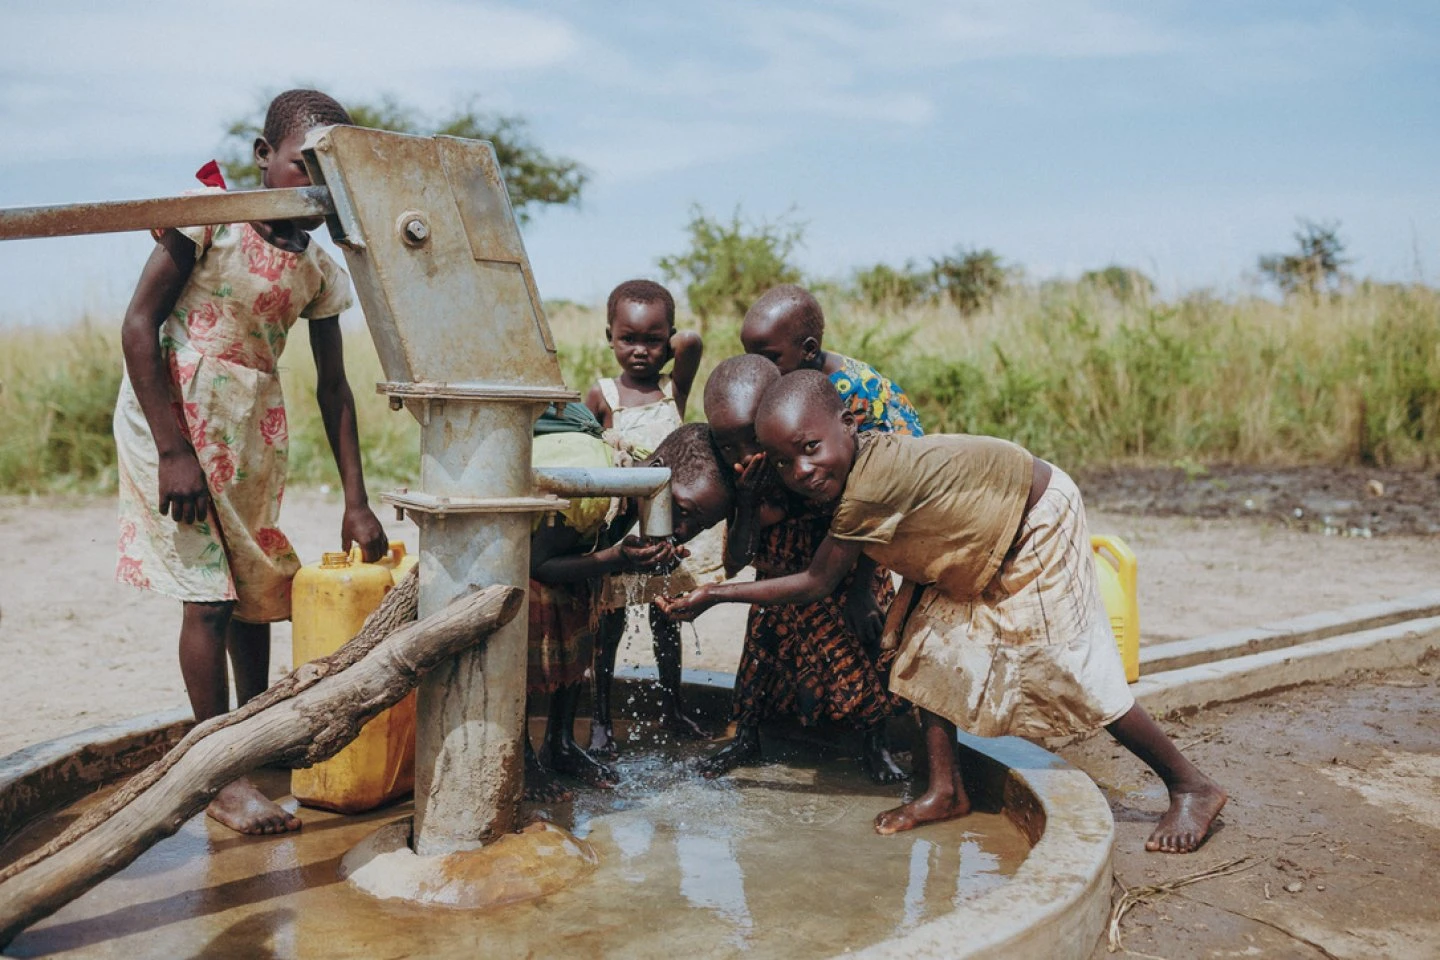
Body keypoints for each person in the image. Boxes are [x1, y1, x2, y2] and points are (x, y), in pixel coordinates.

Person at [660, 371, 1228, 854]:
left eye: (810, 448)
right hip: (982, 537)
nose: (802, 471)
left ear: (848, 424)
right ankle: (946, 791)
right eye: (785, 462)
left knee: (1073, 668)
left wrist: (715, 595)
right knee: (923, 651)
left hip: (1034, 522)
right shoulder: (854, 469)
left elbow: (817, 581)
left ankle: (1190, 785)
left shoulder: (869, 485)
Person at [114, 90, 387, 835]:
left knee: (257, 592)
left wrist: (356, 499)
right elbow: (138, 326)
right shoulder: (211, 220)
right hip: (172, 417)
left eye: (330, 172)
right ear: (264, 155)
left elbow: (334, 388)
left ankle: (253, 737)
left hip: (250, 431)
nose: (313, 184)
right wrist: (173, 450)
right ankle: (218, 776)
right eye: (303, 164)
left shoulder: (320, 270)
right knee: (208, 597)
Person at [702, 355, 906, 783]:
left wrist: (862, 591)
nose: (744, 456)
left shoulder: (813, 459)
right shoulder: (747, 475)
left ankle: (876, 742)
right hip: (777, 582)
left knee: (864, 656)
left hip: (846, 574)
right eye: (728, 446)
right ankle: (747, 737)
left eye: (750, 440)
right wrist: (746, 501)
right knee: (761, 661)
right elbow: (737, 557)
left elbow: (869, 528)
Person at [584, 280, 716, 755]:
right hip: (620, 532)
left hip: (665, 532)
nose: (639, 351)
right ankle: (601, 719)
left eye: (652, 340)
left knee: (667, 622)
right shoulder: (602, 396)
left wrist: (670, 343)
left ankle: (672, 708)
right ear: (609, 337)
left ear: (667, 341)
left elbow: (693, 343)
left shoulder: (671, 391)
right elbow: (587, 457)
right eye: (628, 339)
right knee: (609, 628)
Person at [740, 283, 924, 435]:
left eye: (770, 357)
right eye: (752, 357)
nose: (759, 367)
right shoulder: (788, 376)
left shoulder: (856, 391)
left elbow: (870, 454)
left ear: (809, 350)